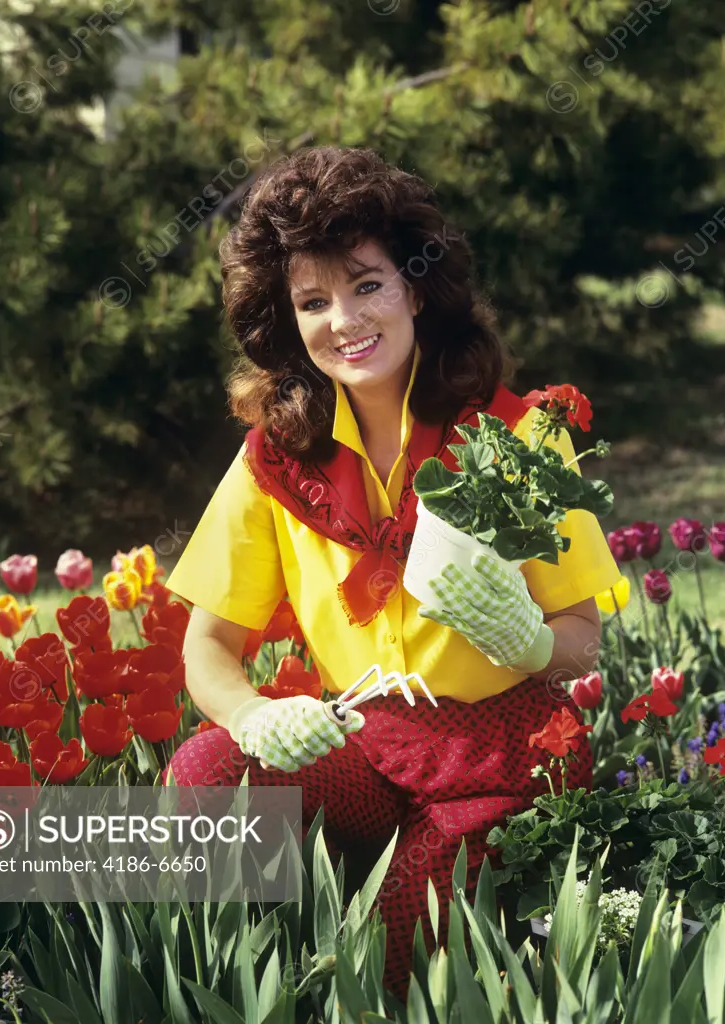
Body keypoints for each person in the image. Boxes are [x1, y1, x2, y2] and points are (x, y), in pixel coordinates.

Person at [164, 145, 621, 1000]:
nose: (343, 320)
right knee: (205, 774)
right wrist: (252, 713)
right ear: (286, 320)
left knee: (393, 944)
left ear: (414, 288)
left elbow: (582, 642)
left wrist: (529, 643)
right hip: (368, 745)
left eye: (366, 285)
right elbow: (208, 648)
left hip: (502, 754)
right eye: (312, 300)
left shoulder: (517, 437)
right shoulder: (273, 459)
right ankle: (243, 993)